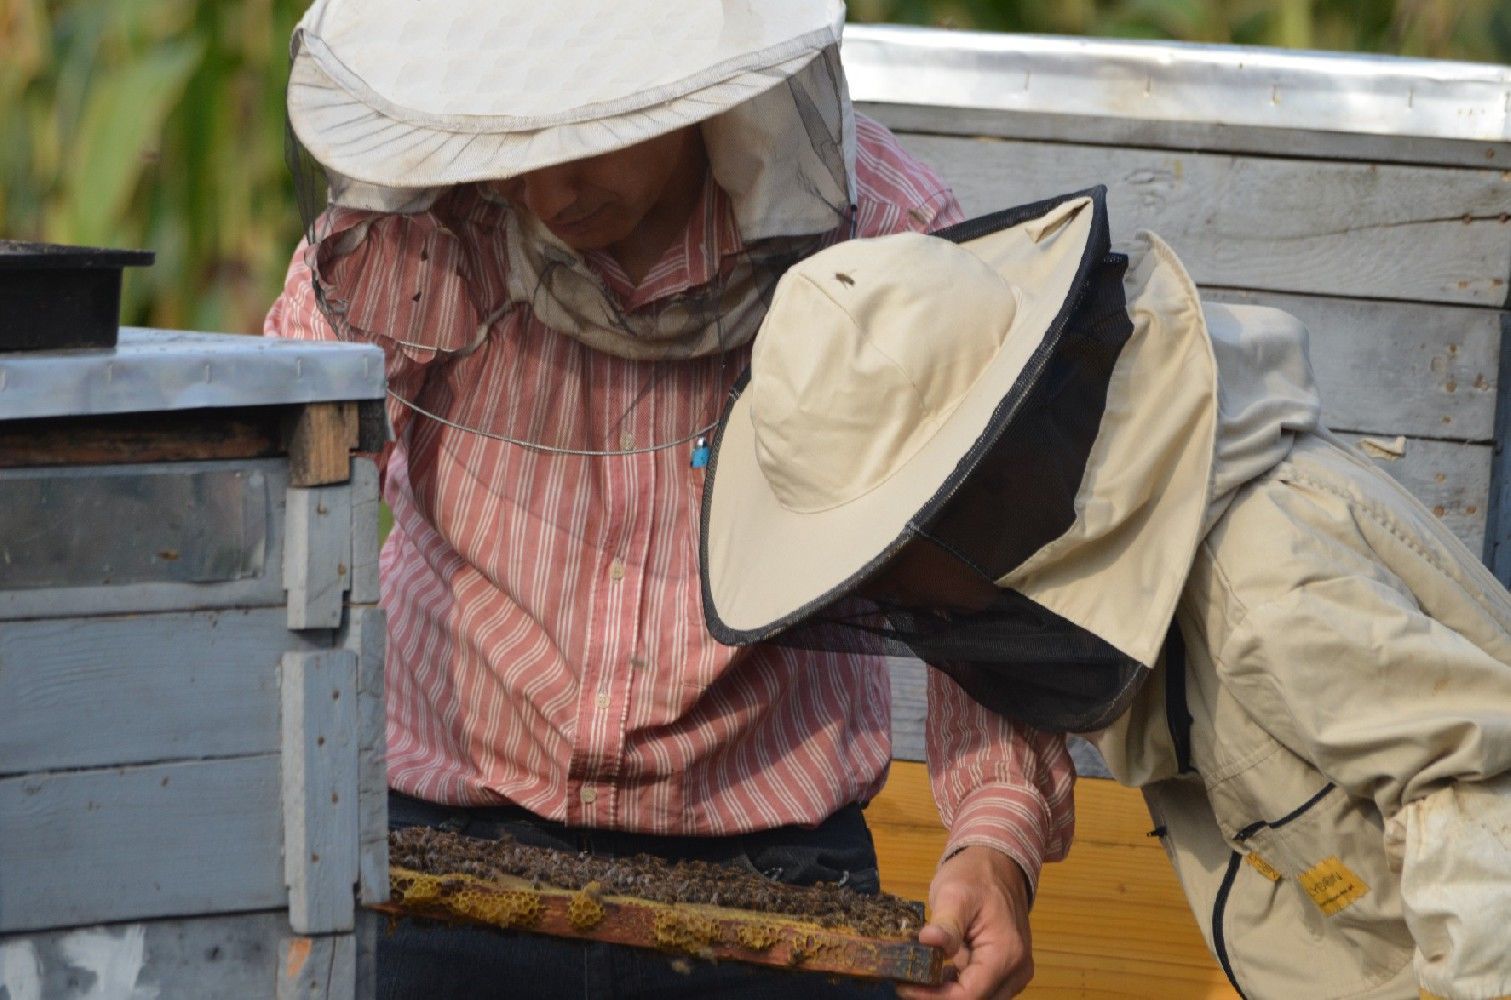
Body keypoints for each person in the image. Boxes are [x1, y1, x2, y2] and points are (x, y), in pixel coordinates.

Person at [266, 2, 1073, 997]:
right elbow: (278, 475)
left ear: (707, 86)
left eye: (594, 131)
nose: (546, 183)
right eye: (516, 129)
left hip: (771, 865)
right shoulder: (412, 227)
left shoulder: (885, 238)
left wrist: (992, 838)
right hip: (434, 839)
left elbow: (971, 566)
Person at [699, 187, 1511, 1000]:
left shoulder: (1266, 585)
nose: (882, 586)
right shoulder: (1112, 555)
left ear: (979, 492)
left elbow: (1481, 815)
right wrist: (993, 862)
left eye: (884, 551)